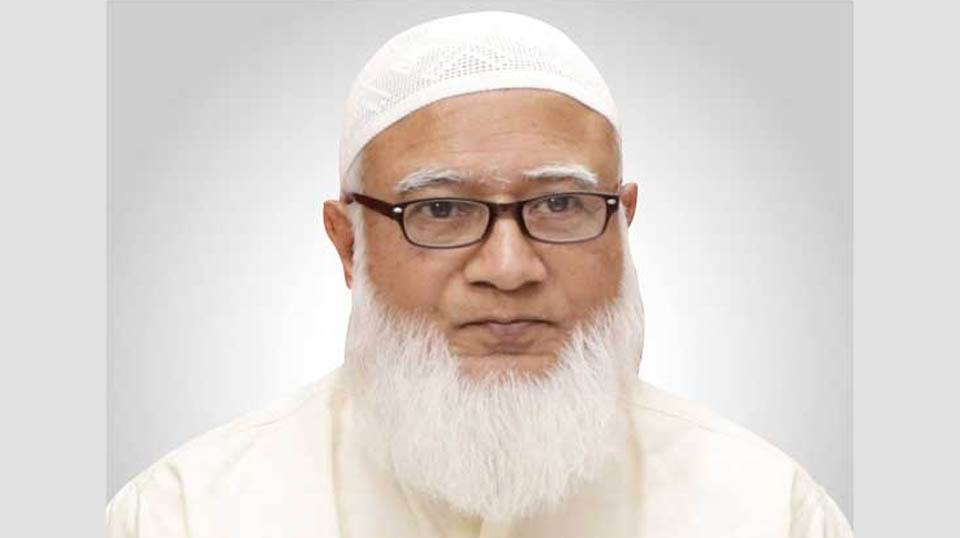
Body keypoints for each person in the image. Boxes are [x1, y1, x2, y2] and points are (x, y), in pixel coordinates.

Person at [106, 11, 853, 537]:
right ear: (348, 245)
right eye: (440, 210)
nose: (509, 268)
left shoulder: (767, 512)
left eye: (559, 204)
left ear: (623, 224)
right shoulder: (185, 516)